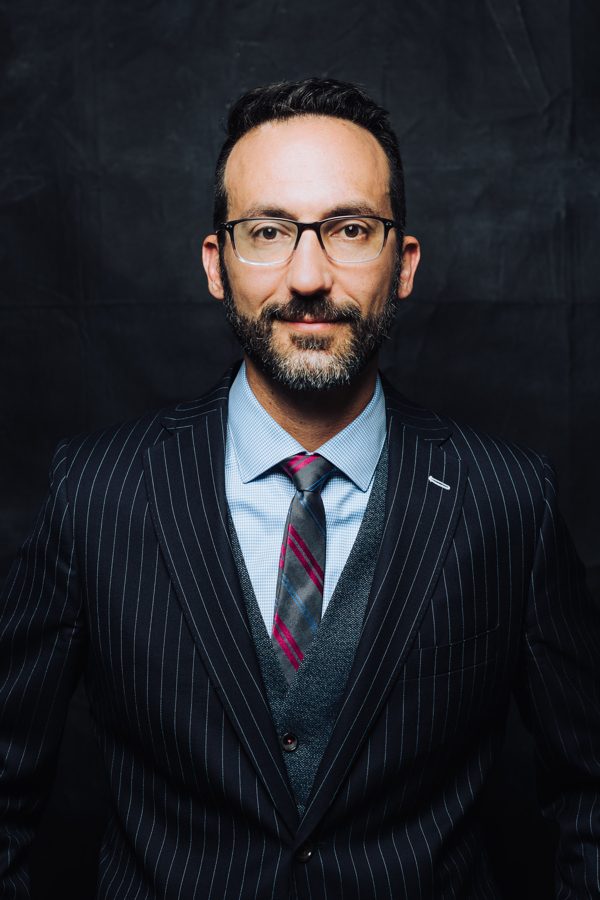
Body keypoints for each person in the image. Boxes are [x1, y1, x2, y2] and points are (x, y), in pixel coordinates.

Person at [0, 77, 598, 899]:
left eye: (351, 229)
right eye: (268, 231)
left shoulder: (507, 500)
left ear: (403, 263)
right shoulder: (98, 492)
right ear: (217, 264)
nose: (308, 276)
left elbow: (589, 786)